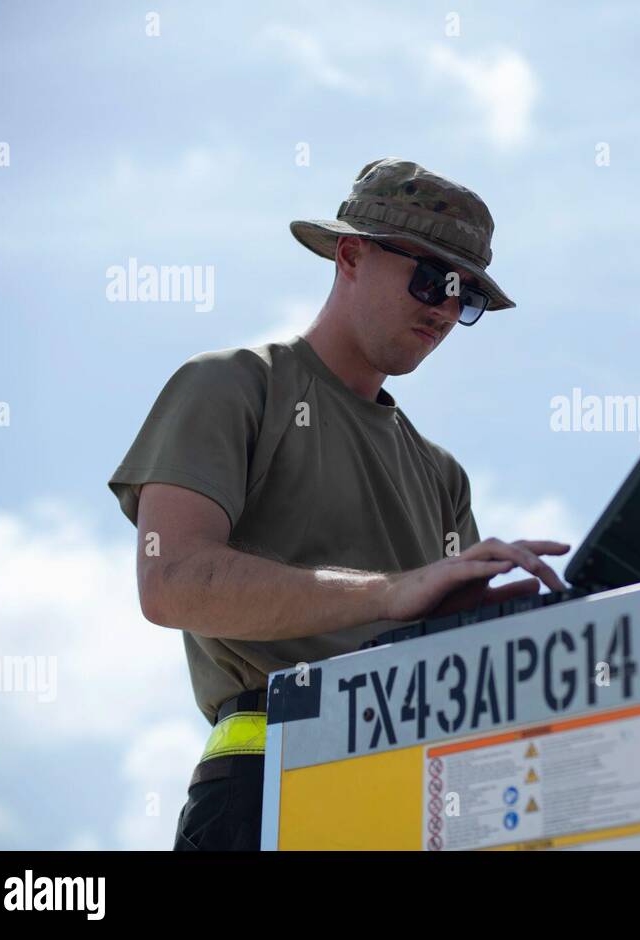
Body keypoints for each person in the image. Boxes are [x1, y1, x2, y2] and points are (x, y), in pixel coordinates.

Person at [108, 157, 569, 850]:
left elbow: (445, 658)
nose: (445, 308)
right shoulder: (232, 387)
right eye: (434, 279)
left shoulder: (442, 475)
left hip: (426, 809)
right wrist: (393, 592)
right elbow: (170, 582)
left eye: (466, 296)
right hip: (270, 794)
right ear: (351, 255)